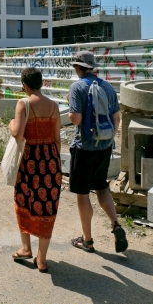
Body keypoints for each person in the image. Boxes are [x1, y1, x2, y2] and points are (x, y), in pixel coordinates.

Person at [68, 51, 128, 254]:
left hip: (84, 148)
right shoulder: (108, 87)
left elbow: (75, 119)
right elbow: (117, 119)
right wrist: (108, 141)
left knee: (83, 194)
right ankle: (116, 224)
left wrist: (70, 104)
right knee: (102, 188)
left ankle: (87, 240)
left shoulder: (77, 87)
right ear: (92, 68)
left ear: (78, 67)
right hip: (104, 147)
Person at [9, 67, 61, 273]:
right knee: (47, 206)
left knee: (24, 200)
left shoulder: (23, 103)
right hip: (50, 163)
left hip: (29, 162)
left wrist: (11, 123)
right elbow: (57, 139)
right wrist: (54, 163)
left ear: (25, 85)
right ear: (42, 83)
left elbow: (17, 133)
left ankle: (25, 248)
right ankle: (42, 259)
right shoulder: (54, 106)